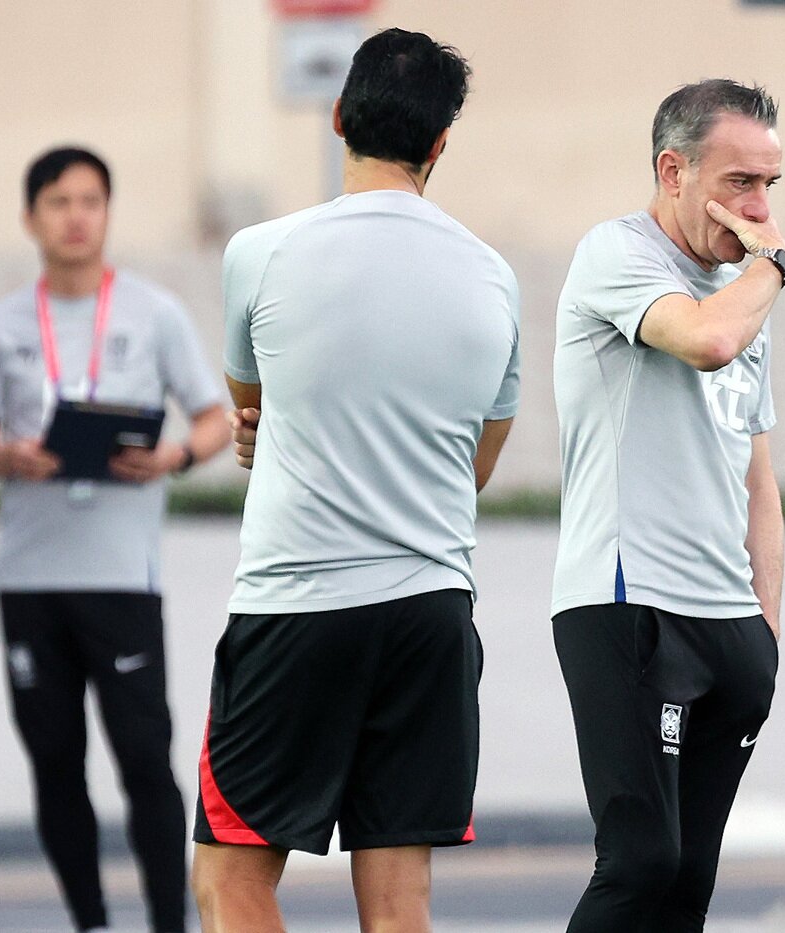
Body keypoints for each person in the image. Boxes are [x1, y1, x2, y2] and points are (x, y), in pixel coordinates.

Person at [189, 28, 520, 933]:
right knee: (399, 896)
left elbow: (250, 402)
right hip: (431, 610)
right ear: (441, 142)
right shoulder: (494, 278)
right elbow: (477, 464)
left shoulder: (260, 251)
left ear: (339, 118)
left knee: (233, 876)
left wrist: (278, 429)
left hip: (298, 600)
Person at [0, 146, 228, 933]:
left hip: (121, 576)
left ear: (107, 213)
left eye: (90, 200)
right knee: (55, 763)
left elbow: (213, 416)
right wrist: (8, 455)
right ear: (31, 218)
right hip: (30, 578)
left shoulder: (154, 312)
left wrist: (174, 455)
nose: (76, 216)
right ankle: (90, 921)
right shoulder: (5, 323)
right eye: (58, 201)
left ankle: (169, 923)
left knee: (146, 759)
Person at [551, 79, 785, 932]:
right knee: (641, 858)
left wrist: (764, 627)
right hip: (629, 605)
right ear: (674, 171)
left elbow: (758, 479)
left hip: (729, 624)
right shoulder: (616, 254)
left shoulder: (748, 291)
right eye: (739, 183)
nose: (759, 208)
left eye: (770, 183)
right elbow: (705, 340)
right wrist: (772, 264)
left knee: (688, 879)